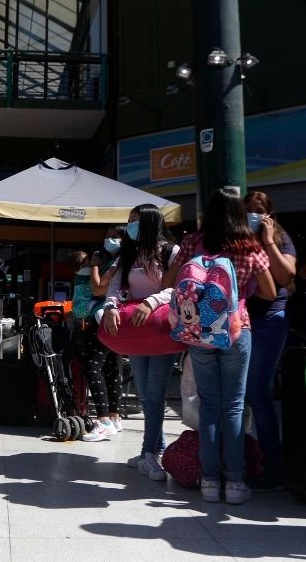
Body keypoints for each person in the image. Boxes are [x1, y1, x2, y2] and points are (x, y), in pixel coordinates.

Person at [166, 189, 275, 504]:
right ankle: (236, 482)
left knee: (210, 405)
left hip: (199, 331)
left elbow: (170, 282)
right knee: (234, 406)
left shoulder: (191, 242)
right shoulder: (249, 246)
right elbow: (269, 292)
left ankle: (210, 481)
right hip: (237, 328)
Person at [101, 204, 179, 480]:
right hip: (135, 331)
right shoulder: (128, 253)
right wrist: (111, 306)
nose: (130, 226)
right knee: (145, 394)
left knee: (155, 393)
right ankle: (155, 447)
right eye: (129, 221)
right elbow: (115, 286)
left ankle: (149, 455)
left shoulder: (171, 251)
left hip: (160, 330)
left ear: (149, 222)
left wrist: (151, 301)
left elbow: (178, 287)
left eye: (135, 221)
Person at [241, 190, 295, 491]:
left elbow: (287, 276)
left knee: (258, 392)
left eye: (258, 210)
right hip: (243, 320)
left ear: (269, 213)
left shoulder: (282, 238)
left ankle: (274, 466)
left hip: (270, 319)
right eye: (248, 209)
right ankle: (253, 458)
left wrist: (270, 240)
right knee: (247, 393)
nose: (253, 214)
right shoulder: (238, 238)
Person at [79, 227, 125, 442]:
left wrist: (94, 265)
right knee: (110, 366)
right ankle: (114, 416)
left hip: (105, 316)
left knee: (92, 365)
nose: (109, 240)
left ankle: (104, 420)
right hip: (114, 317)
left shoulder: (116, 262)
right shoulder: (123, 260)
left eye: (115, 236)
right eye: (106, 236)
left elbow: (98, 289)